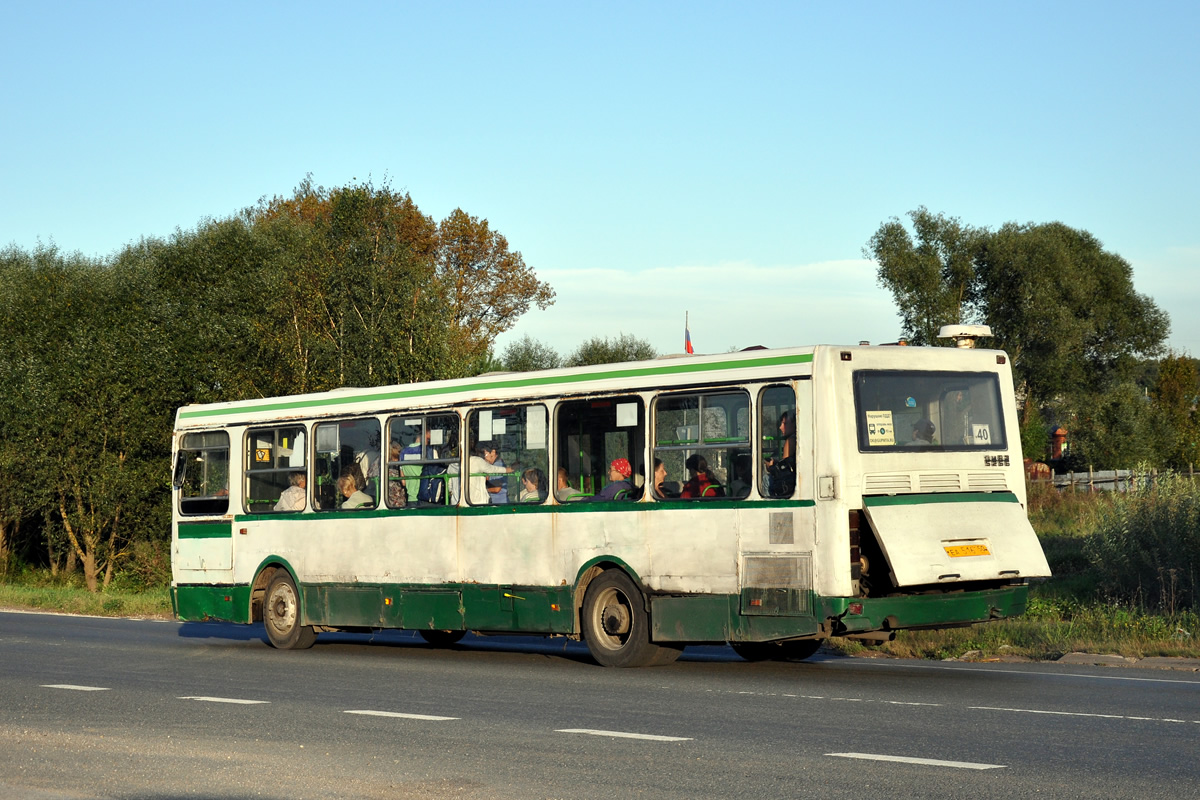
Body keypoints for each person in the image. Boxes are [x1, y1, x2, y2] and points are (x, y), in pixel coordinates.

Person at [765, 411, 797, 497]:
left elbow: (784, 471)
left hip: (788, 487)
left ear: (794, 424)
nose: (780, 427)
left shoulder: (790, 441)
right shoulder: (797, 439)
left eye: (785, 424)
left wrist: (771, 467)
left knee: (765, 480)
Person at [386, 441, 408, 508]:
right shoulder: (402, 463)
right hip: (398, 500)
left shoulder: (385, 464)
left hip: (391, 498)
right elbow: (404, 482)